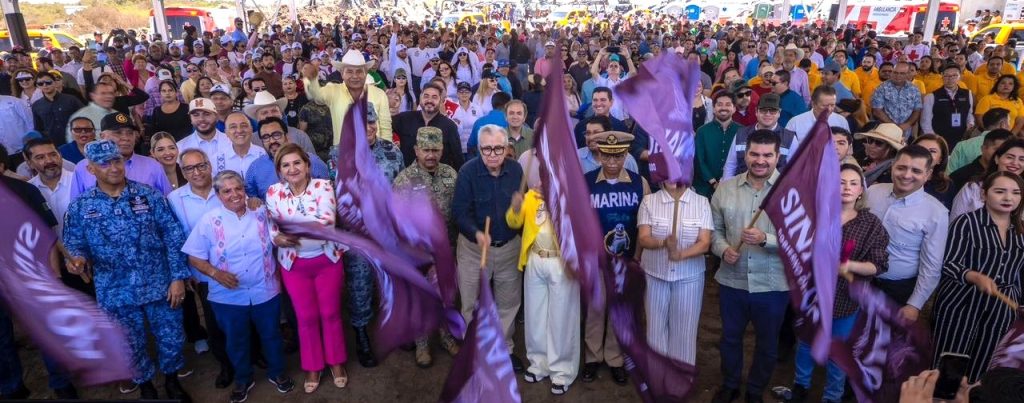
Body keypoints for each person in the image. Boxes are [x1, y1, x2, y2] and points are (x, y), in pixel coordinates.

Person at [62, 139, 192, 401]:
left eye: (117, 160)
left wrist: (178, 277)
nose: (113, 167)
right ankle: (145, 385)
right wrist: (75, 261)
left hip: (159, 284)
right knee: (129, 344)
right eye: (104, 163)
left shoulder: (149, 196)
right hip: (114, 290)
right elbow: (74, 245)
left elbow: (173, 237)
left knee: (172, 337)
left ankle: (171, 380)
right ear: (91, 169)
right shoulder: (81, 207)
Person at [182, 170, 296, 402]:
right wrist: (216, 273)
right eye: (227, 191)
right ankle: (243, 379)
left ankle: (277, 373)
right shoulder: (209, 220)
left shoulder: (261, 212)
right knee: (236, 340)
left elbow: (285, 224)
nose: (234, 194)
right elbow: (194, 257)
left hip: (265, 289)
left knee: (272, 335)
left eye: (238, 189)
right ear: (218, 195)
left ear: (244, 189)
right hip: (228, 296)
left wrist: (262, 202)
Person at [786, 164, 889, 403]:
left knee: (839, 351)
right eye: (841, 182)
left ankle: (832, 396)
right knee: (806, 342)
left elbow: (879, 264)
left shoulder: (870, 224)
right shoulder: (814, 214)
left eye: (853, 183)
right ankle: (801, 386)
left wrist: (849, 266)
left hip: (845, 299)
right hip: (812, 295)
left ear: (861, 191)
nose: (847, 187)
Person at [710, 130, 788, 403]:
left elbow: (803, 239)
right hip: (733, 280)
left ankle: (755, 391)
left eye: (768, 155)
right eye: (754, 153)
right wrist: (722, 249)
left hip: (774, 284)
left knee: (767, 345)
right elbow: (714, 230)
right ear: (745, 153)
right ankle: (730, 385)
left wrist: (766, 239)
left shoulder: (791, 191)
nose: (760, 160)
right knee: (730, 339)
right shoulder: (725, 188)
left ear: (778, 156)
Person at [265, 143, 348, 394]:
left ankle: (336, 362)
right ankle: (313, 366)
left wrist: (288, 231)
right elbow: (273, 230)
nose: (292, 169)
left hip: (327, 261)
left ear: (307, 165)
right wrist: (279, 235)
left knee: (331, 314)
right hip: (294, 266)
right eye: (286, 165)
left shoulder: (323, 187)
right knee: (305, 317)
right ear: (279, 170)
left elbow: (324, 228)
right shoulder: (273, 192)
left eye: (297, 163)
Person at [932, 171, 1024, 383]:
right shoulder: (966, 222)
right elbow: (949, 263)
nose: (1008, 198)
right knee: (950, 361)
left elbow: (1018, 272)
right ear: (983, 194)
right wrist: (973, 276)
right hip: (961, 301)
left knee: (984, 361)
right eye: (1000, 191)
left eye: (1016, 192)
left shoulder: (1019, 230)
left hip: (1001, 307)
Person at [451, 124, 525, 373]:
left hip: (508, 248)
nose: (492, 154)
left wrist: (518, 208)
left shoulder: (516, 171)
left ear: (507, 148)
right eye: (487, 149)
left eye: (498, 148)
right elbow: (459, 213)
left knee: (508, 302)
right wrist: (476, 233)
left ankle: (504, 349)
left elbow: (521, 215)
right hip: (474, 249)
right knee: (471, 302)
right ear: (478, 149)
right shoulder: (467, 172)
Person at [583, 130, 650, 386]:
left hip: (626, 257)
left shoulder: (639, 182)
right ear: (599, 155)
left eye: (618, 156)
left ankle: (615, 358)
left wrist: (638, 256)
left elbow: (644, 222)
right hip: (596, 258)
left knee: (620, 310)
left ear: (625, 155)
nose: (612, 162)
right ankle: (592, 357)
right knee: (595, 307)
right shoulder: (586, 181)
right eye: (607, 156)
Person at [166, 148, 236, 389]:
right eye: (189, 168)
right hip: (203, 272)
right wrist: (186, 273)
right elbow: (177, 238)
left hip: (237, 266)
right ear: (182, 171)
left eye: (201, 165)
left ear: (210, 165)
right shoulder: (175, 199)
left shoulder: (226, 189)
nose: (196, 172)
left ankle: (251, 355)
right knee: (215, 321)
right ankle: (225, 364)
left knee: (242, 315)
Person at [507, 165, 580, 396]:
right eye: (545, 175)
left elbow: (580, 230)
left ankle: (562, 370)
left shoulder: (573, 199)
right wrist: (516, 208)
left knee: (561, 317)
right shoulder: (531, 196)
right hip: (535, 259)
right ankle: (539, 363)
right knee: (535, 315)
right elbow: (513, 222)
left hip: (561, 263)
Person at [392, 127, 461, 367]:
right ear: (416, 150)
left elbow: (459, 212)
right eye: (426, 150)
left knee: (447, 296)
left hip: (447, 251)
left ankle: (445, 335)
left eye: (435, 150)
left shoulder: (451, 174)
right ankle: (421, 345)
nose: (430, 155)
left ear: (442, 149)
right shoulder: (404, 180)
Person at [864, 145, 949, 321]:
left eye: (916, 170)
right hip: (861, 281)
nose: (907, 175)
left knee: (888, 344)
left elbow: (931, 265)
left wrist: (914, 305)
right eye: (901, 167)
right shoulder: (873, 192)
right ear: (892, 166)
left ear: (928, 174)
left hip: (899, 291)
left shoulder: (936, 212)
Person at [637, 178, 712, 366]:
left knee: (685, 330)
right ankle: (657, 376)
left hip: (689, 277)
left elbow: (704, 243)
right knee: (655, 328)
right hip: (655, 274)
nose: (673, 178)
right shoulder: (649, 201)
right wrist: (662, 243)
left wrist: (681, 254)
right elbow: (644, 239)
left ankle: (680, 381)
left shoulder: (701, 202)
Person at [69, 112, 172, 198]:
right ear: (102, 136)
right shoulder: (83, 167)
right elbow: (76, 208)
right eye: (118, 133)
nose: (126, 138)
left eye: (130, 133)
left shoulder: (152, 166)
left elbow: (168, 201)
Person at [301, 49, 391, 146]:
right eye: (349, 71)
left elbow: (385, 128)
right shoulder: (333, 90)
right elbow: (316, 95)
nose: (355, 76)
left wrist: (387, 152)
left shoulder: (379, 94)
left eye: (359, 71)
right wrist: (311, 79)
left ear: (365, 73)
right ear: (341, 74)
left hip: (374, 155)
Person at [245, 116, 329, 199]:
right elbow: (252, 201)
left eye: (276, 135)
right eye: (266, 137)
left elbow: (328, 191)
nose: (272, 141)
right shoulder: (255, 169)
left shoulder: (311, 161)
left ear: (287, 136)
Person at [722, 93, 797, 179]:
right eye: (763, 110)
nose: (768, 114)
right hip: (743, 188)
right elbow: (730, 165)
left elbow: (795, 170)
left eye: (772, 111)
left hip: (775, 189)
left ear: (779, 113)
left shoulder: (790, 138)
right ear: (756, 111)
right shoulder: (741, 134)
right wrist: (727, 189)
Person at [950, 139, 1024, 220]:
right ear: (996, 159)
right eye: (1010, 157)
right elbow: (955, 221)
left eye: (1022, 159)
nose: (1015, 163)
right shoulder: (974, 187)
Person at [392, 84, 464, 168]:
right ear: (420, 98)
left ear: (441, 101)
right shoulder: (404, 119)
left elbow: (457, 158)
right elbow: (382, 125)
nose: (429, 100)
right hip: (409, 177)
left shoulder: (449, 126)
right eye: (426, 96)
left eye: (434, 97)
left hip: (439, 179)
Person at [695, 90, 741, 198]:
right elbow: (699, 160)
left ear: (734, 109)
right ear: (714, 109)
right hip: (705, 188)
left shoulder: (742, 131)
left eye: (728, 104)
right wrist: (713, 182)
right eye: (719, 105)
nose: (723, 108)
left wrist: (728, 181)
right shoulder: (702, 131)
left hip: (735, 187)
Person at [242, 91, 317, 155]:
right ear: (257, 118)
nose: (270, 115)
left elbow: (314, 164)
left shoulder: (300, 136)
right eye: (264, 113)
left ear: (281, 114)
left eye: (274, 111)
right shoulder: (251, 141)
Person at [921, 63, 975, 149]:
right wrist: (934, 140)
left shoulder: (968, 94)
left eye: (954, 75)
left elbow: (969, 113)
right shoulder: (931, 96)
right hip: (940, 139)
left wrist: (970, 125)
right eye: (946, 76)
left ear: (960, 77)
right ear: (942, 77)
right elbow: (925, 122)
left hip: (961, 138)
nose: (950, 79)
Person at [785, 86, 850, 154]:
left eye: (832, 105)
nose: (829, 109)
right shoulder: (795, 123)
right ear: (813, 104)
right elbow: (785, 150)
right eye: (825, 106)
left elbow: (848, 149)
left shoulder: (841, 121)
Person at [871, 61, 923, 140]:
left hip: (906, 132)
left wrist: (908, 124)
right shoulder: (881, 88)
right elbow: (877, 110)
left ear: (908, 74)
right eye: (895, 72)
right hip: (885, 131)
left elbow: (917, 110)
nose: (897, 76)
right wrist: (893, 126)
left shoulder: (914, 89)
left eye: (902, 73)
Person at [950, 129, 1012, 195]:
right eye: (997, 149)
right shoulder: (960, 177)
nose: (1002, 154)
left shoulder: (1012, 174)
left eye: (1007, 151)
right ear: (983, 149)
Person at [31, 71, 83, 146]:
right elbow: (38, 128)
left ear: (55, 83)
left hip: (75, 141)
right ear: (37, 86)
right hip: (53, 145)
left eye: (48, 82)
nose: (45, 85)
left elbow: (85, 117)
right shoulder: (36, 106)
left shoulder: (71, 100)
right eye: (40, 84)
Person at [179, 97, 231, 172]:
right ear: (190, 119)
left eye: (206, 114)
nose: (201, 119)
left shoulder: (231, 141)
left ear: (216, 117)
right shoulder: (180, 147)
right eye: (196, 115)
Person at [217, 112, 267, 177]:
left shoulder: (264, 155)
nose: (239, 130)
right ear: (226, 132)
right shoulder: (217, 158)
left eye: (244, 126)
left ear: (251, 129)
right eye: (233, 127)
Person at [912, 134, 956, 207]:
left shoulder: (947, 186)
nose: (925, 153)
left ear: (940, 159)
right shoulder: (895, 177)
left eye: (932, 151)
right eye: (920, 148)